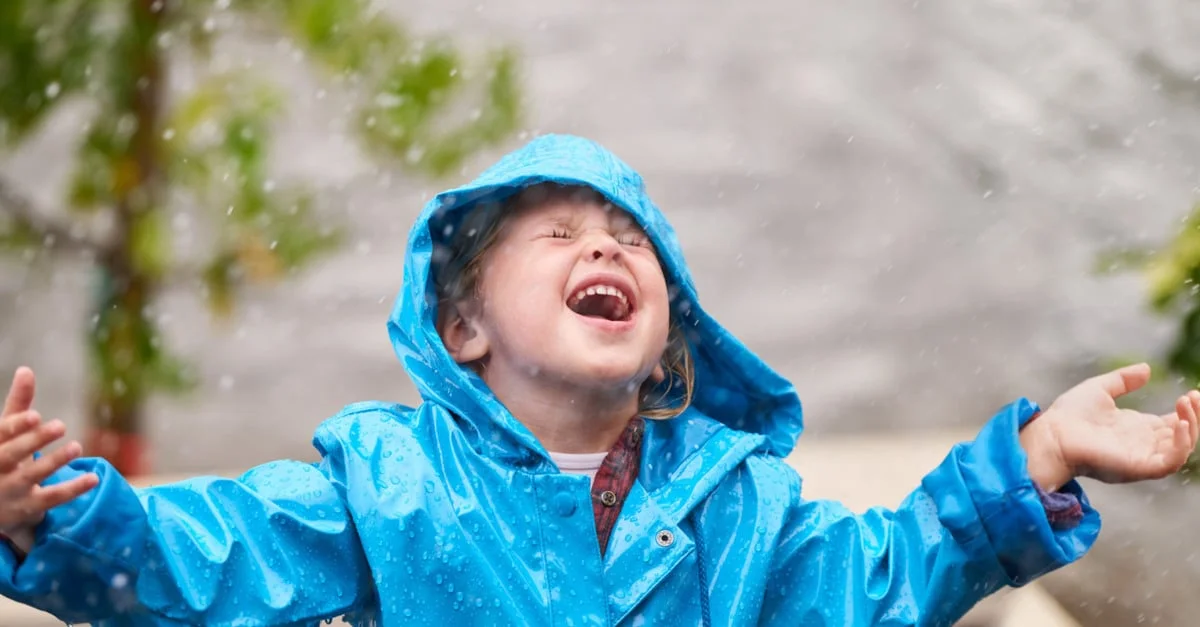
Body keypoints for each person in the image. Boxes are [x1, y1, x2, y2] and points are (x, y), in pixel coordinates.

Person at [0, 134, 1196, 626]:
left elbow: (886, 578)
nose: (607, 249)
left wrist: (1038, 458)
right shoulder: (388, 481)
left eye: (631, 241)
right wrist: (51, 515)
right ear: (461, 324)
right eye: (560, 234)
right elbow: (199, 562)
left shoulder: (736, 509)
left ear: (669, 344)